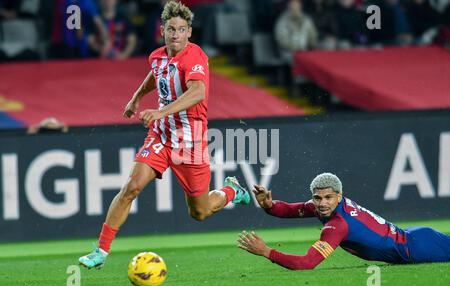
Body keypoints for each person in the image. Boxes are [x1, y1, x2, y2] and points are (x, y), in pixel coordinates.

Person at [79, 0, 250, 269]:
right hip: (160, 136)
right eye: (171, 29)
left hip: (190, 141)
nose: (176, 35)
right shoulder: (157, 56)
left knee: (200, 212)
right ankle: (100, 251)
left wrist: (160, 112)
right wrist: (136, 98)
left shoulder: (195, 57)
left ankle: (232, 190)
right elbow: (155, 74)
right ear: (163, 30)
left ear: (189, 32)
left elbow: (197, 93)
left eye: (181, 29)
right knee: (131, 188)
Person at [237, 173, 450, 270]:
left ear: (339, 196)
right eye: (317, 198)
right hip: (414, 236)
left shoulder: (338, 225)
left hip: (417, 248)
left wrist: (267, 252)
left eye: (328, 197)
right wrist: (268, 205)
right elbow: (290, 210)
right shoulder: (328, 207)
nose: (321, 203)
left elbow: (307, 263)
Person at [274, 0, 318, 64]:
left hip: (304, 51)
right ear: (289, 6)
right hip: (288, 52)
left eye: (297, 5)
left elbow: (312, 35)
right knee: (301, 60)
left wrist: (312, 47)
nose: (295, 7)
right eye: (293, 5)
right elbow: (282, 41)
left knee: (315, 58)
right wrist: (298, 49)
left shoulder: (306, 19)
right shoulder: (282, 21)